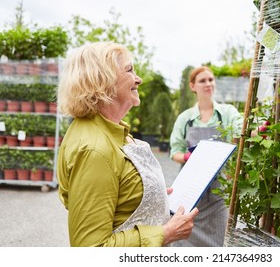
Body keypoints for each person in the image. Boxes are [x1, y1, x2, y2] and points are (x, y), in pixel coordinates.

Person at [56, 41, 199, 247]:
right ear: (102, 80)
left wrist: (149, 192)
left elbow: (116, 190)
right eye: (129, 70)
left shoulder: (107, 130)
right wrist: (165, 233)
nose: (138, 79)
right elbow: (91, 248)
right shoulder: (94, 150)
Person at [169, 66, 243, 247]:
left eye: (211, 80)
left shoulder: (227, 112)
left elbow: (240, 127)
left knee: (220, 242)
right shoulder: (185, 118)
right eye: (202, 81)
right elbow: (175, 152)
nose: (208, 84)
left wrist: (257, 129)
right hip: (190, 193)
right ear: (193, 86)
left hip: (219, 194)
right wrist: (190, 157)